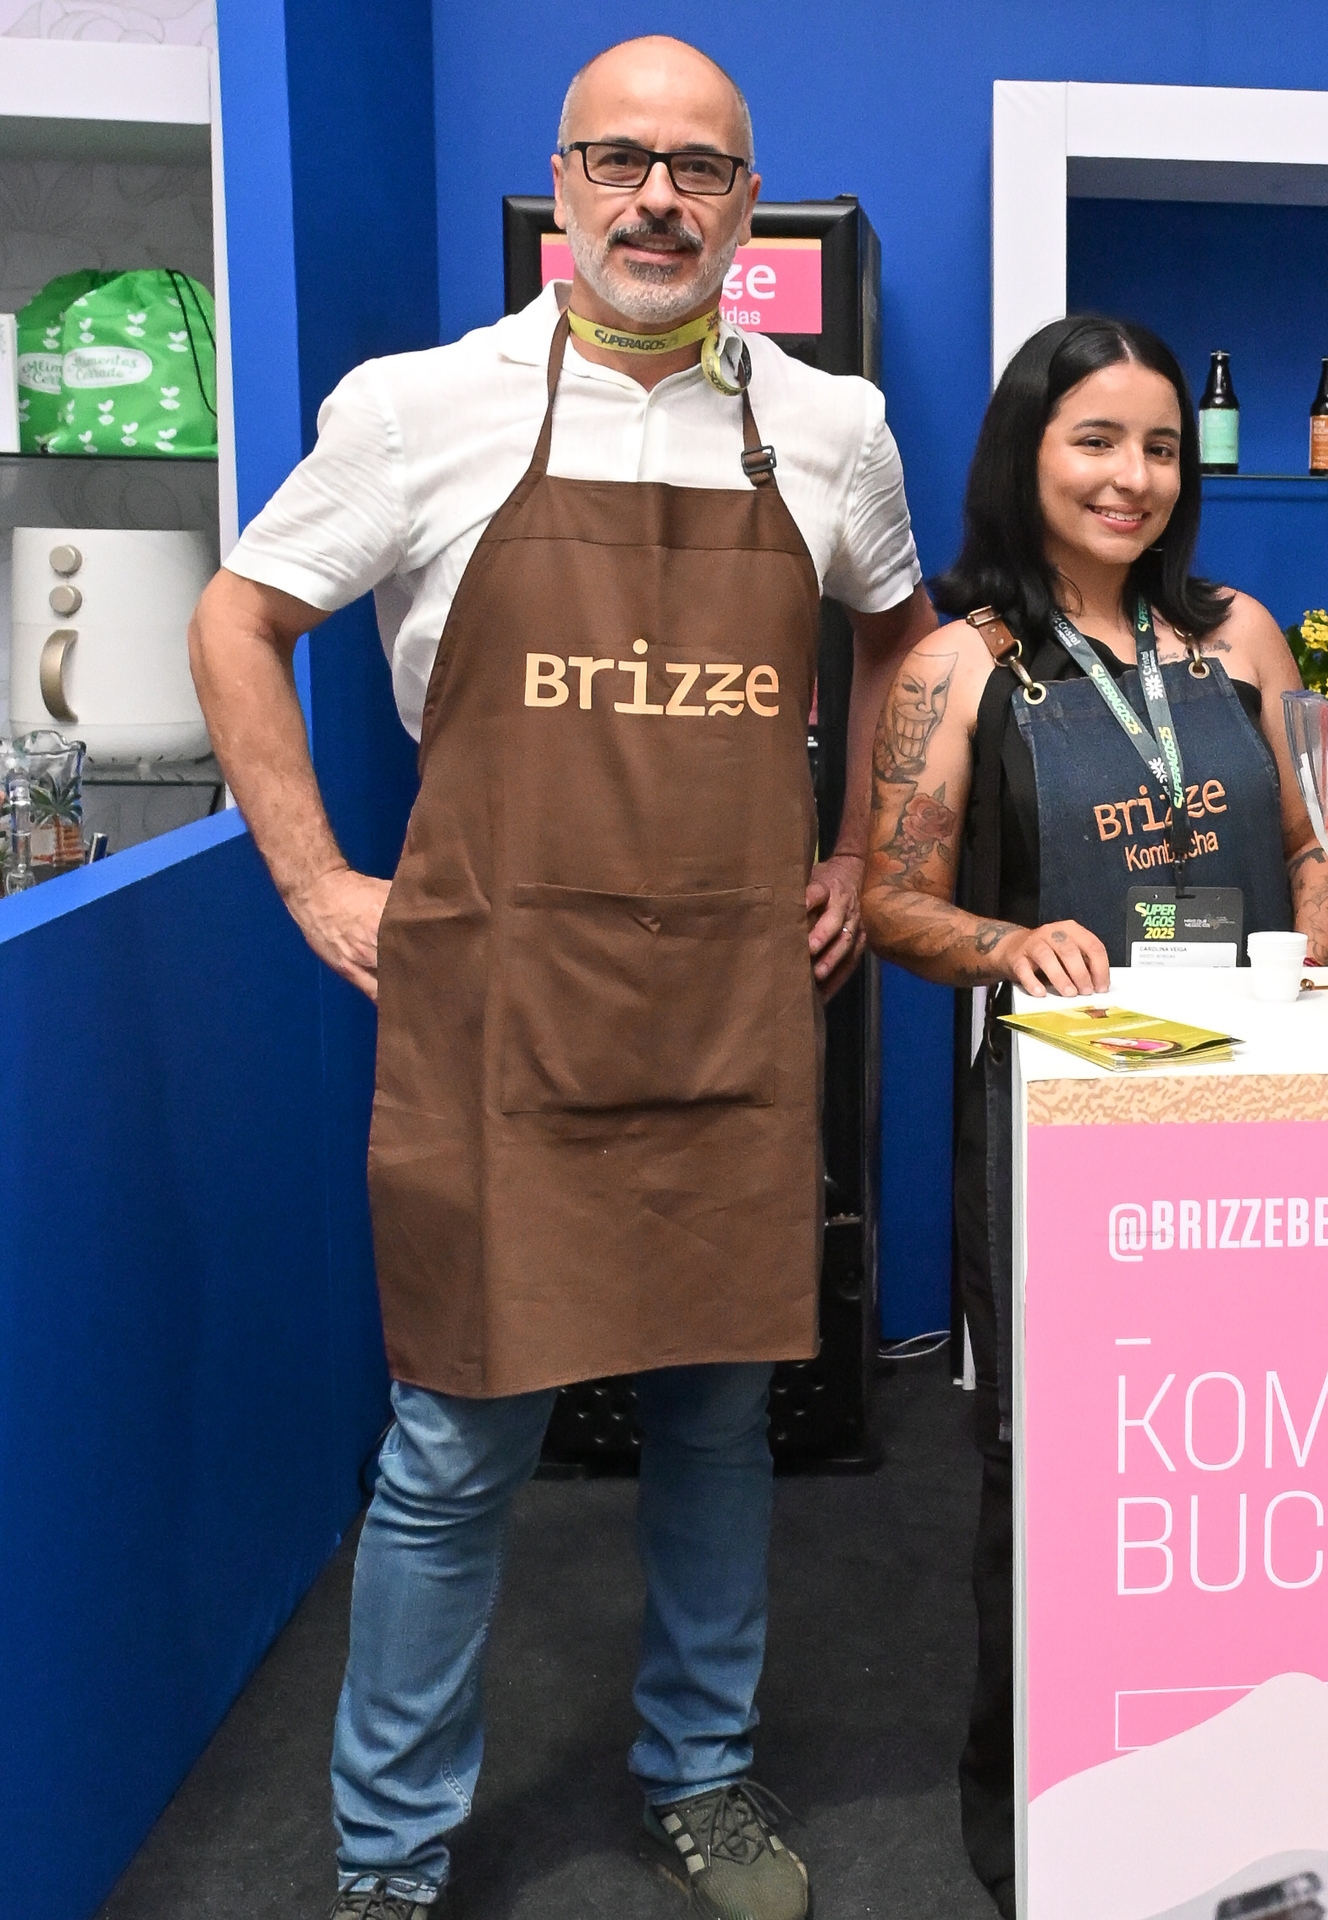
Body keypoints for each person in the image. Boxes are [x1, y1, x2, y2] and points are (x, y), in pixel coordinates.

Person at [188, 36, 937, 1920]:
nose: (657, 200)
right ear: (565, 183)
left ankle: (703, 1768)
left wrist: (867, 852)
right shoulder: (419, 411)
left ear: (748, 206)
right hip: (500, 1014)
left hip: (729, 1011)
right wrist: (311, 876)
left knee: (717, 1425)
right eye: (619, 161)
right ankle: (386, 1852)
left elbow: (904, 642)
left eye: (700, 168)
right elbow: (237, 618)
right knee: (454, 1448)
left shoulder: (831, 429)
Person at [859, 314, 1328, 1916]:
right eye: (1095, 441)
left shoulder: (1240, 637)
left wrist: (1319, 945)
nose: (1132, 476)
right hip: (1063, 1138)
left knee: (1267, 1454)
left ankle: (1260, 1797)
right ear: (1028, 453)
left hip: (1253, 1112)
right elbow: (890, 899)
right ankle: (1046, 1825)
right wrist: (1009, 944)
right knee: (1061, 1468)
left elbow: (1316, 843)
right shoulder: (959, 662)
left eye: (1158, 447)